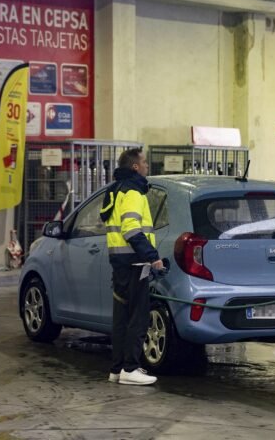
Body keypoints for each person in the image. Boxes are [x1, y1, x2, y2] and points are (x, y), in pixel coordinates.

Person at [100, 148, 164, 385]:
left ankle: (117, 369)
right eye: (144, 163)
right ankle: (131, 368)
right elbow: (131, 229)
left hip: (120, 263)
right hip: (135, 263)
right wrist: (152, 256)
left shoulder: (115, 190)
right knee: (137, 318)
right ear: (135, 167)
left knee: (121, 319)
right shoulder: (134, 192)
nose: (147, 166)